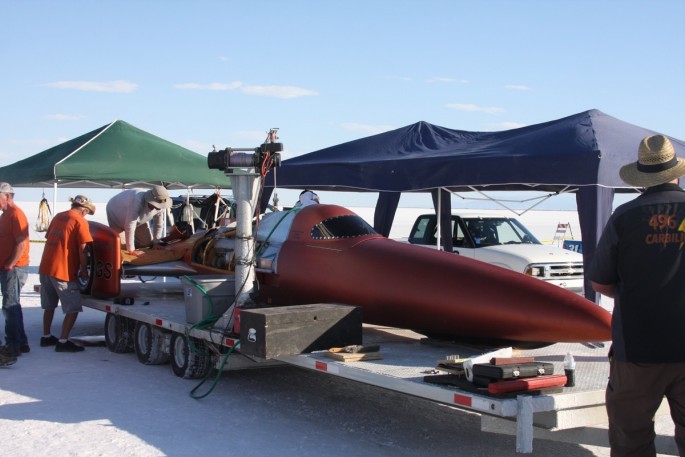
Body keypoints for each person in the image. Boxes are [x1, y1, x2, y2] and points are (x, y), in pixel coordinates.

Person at [589, 135, 685, 456]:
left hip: (638, 351)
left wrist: (637, 293)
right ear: (677, 173)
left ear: (643, 177)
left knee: (631, 438)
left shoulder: (625, 216)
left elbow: (600, 282)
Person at [39, 195, 96, 353]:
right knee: (73, 308)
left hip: (45, 267)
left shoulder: (58, 216)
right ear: (84, 211)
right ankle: (63, 341)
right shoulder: (80, 221)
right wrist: (84, 269)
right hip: (62, 270)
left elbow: (50, 237)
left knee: (49, 305)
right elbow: (83, 249)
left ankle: (46, 336)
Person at [0, 182, 30, 359]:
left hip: (14, 268)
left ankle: (13, 345)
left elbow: (22, 242)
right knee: (12, 305)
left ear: (7, 196)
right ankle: (20, 342)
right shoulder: (5, 215)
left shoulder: (16, 215)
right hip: (8, 267)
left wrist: (11, 263)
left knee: (10, 305)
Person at [106, 185, 172, 256]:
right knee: (120, 247)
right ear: (150, 200)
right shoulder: (138, 200)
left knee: (146, 244)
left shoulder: (161, 205)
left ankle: (131, 245)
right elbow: (130, 225)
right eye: (158, 204)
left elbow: (158, 224)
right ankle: (128, 247)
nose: (160, 207)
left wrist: (156, 243)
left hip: (137, 220)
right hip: (115, 215)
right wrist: (132, 250)